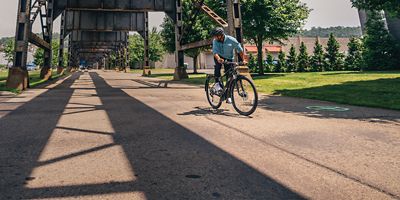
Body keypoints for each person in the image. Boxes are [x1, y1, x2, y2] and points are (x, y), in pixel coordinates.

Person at [211, 27, 247, 102]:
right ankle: (217, 83)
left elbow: (240, 50)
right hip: (219, 56)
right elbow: (215, 52)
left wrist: (243, 59)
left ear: (220, 35)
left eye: (215, 36)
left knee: (229, 77)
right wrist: (218, 59)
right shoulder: (215, 41)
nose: (214, 37)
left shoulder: (231, 40)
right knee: (218, 66)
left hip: (228, 58)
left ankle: (228, 96)